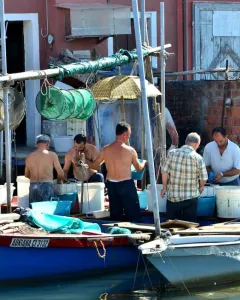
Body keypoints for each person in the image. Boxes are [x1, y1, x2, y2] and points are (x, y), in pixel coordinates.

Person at [90, 122, 147, 222]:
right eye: (128, 135)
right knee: (134, 214)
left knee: (115, 216)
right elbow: (138, 169)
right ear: (124, 134)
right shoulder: (130, 150)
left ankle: (116, 235)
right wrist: (145, 163)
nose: (128, 138)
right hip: (126, 184)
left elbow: (94, 166)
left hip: (112, 185)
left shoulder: (105, 149)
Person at [161, 132, 208, 223]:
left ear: (186, 142)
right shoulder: (198, 158)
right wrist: (200, 186)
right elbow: (204, 178)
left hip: (173, 196)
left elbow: (164, 172)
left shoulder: (171, 153)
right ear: (196, 144)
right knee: (189, 227)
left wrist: (164, 187)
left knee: (171, 225)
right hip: (191, 197)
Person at [25, 135, 64, 203]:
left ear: (37, 144)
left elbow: (26, 174)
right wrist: (59, 181)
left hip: (33, 186)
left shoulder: (29, 156)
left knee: (35, 210)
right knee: (47, 209)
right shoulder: (52, 155)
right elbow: (60, 173)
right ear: (47, 143)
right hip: (47, 186)